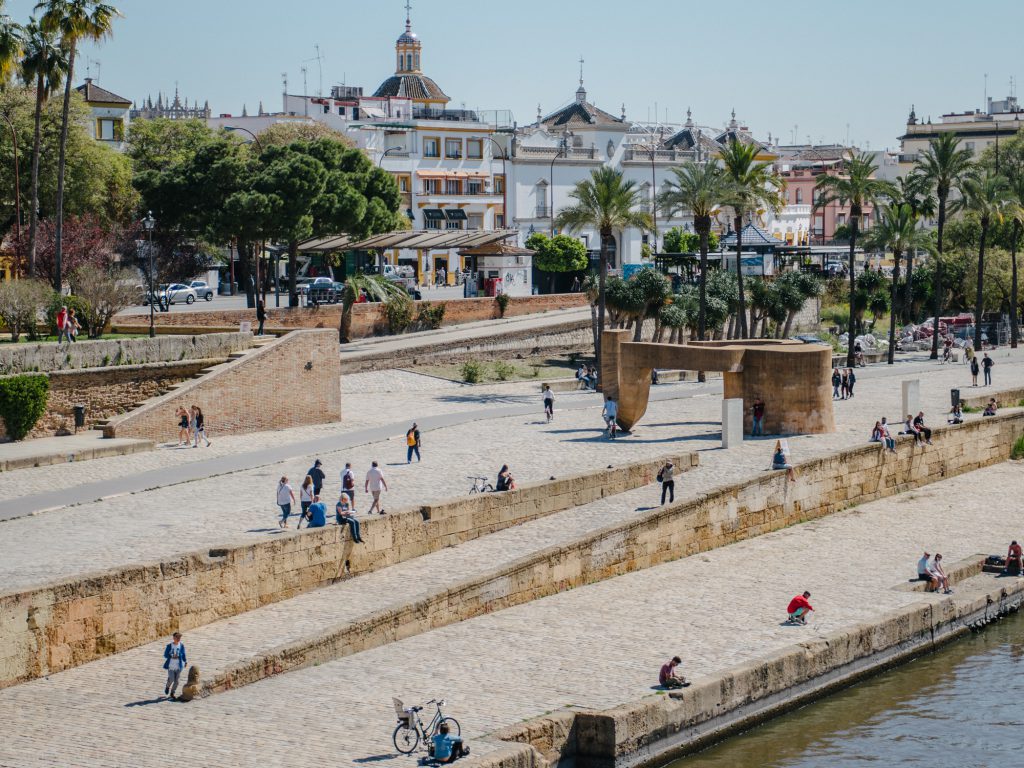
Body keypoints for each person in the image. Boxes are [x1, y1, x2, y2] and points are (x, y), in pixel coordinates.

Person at [163, 631, 187, 699]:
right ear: (174, 638)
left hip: (179, 666)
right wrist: (171, 656)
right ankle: (167, 686)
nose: (179, 638)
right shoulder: (169, 646)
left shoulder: (181, 646)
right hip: (171, 665)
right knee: (171, 679)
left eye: (179, 637)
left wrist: (185, 661)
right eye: (177, 637)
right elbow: (165, 655)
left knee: (177, 681)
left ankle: (172, 693)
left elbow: (183, 654)